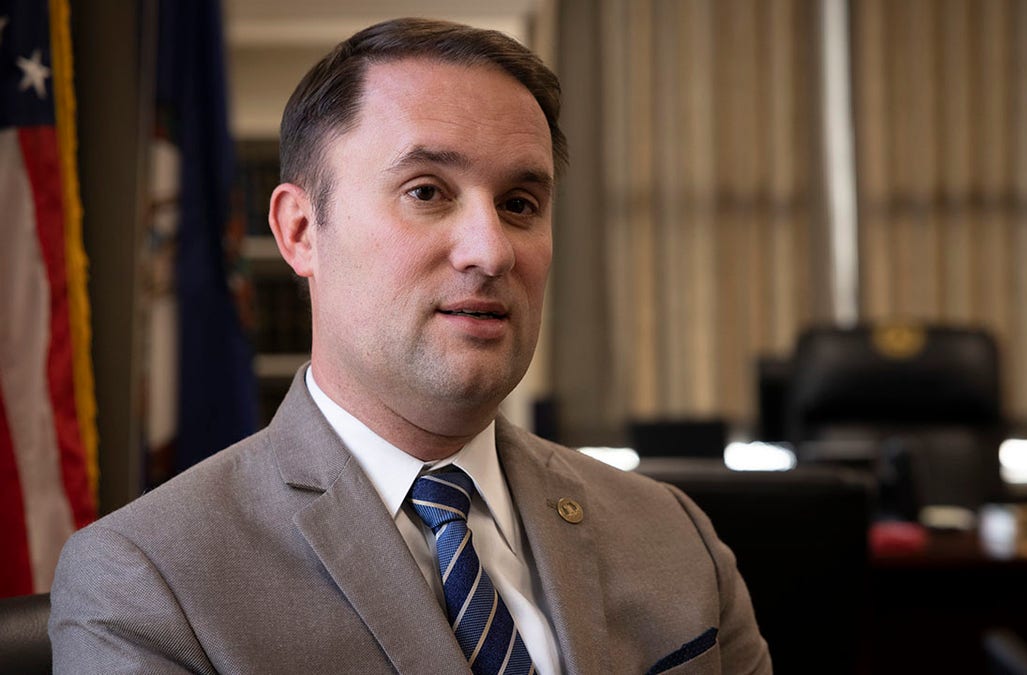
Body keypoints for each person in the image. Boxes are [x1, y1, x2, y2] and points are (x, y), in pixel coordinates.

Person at [50, 17, 771, 674]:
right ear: (301, 231)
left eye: (520, 204)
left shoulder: (675, 538)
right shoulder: (146, 579)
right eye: (427, 191)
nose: (491, 251)